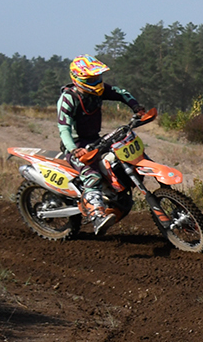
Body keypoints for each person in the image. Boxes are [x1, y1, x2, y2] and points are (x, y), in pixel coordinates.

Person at [56, 55, 147, 234]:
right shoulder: (68, 98)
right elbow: (64, 128)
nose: (97, 82)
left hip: (95, 140)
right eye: (92, 79)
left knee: (123, 154)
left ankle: (116, 197)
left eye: (98, 77)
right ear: (78, 79)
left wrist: (136, 107)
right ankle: (97, 216)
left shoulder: (98, 90)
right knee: (93, 176)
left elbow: (121, 93)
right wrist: (74, 149)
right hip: (76, 146)